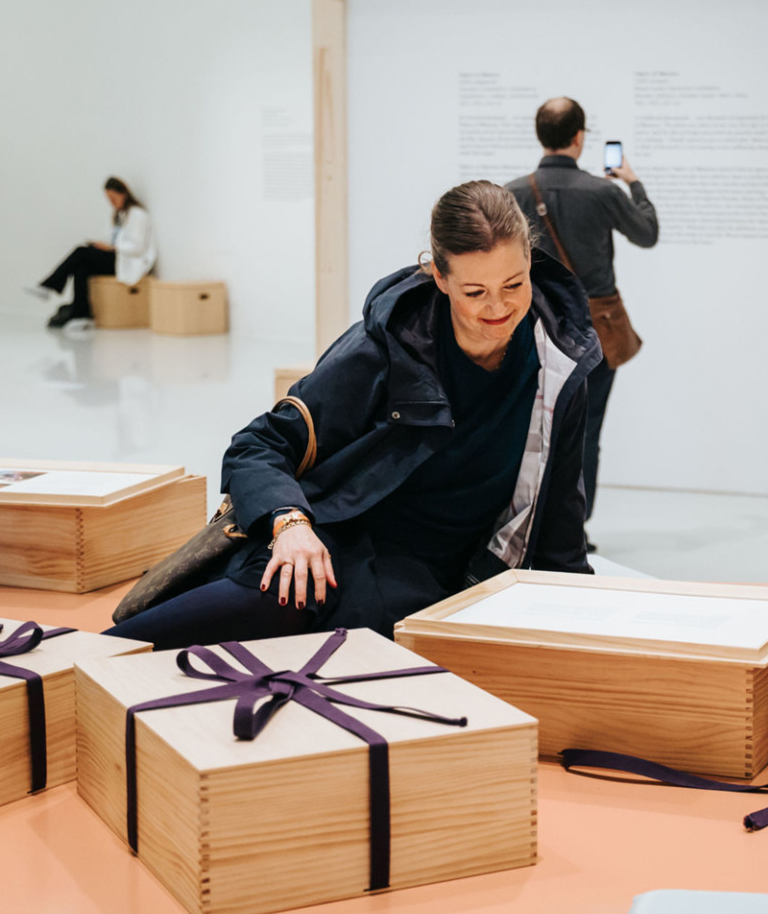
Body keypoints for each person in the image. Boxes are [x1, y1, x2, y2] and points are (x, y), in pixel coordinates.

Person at [108, 181, 599, 648]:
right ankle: (63, 669)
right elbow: (258, 445)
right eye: (475, 292)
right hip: (341, 543)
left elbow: (559, 515)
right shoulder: (386, 349)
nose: (498, 307)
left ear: (531, 262)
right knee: (154, 643)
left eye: (513, 284)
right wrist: (290, 524)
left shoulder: (559, 361)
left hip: (455, 577)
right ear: (439, 276)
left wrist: (577, 612)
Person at [505, 97, 659, 548]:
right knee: (586, 429)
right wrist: (634, 184)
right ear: (579, 136)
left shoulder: (511, 192)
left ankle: (525, 520)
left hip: (532, 323)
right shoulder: (602, 191)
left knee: (530, 424)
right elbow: (647, 234)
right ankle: (573, 524)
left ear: (541, 135)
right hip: (594, 328)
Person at [30, 177, 157, 329]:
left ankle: (49, 286)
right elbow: (113, 240)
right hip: (117, 258)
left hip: (129, 262)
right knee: (81, 267)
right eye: (109, 199)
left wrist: (112, 247)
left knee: (80, 252)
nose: (111, 203)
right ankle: (82, 315)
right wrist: (100, 245)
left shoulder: (137, 215)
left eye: (113, 198)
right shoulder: (120, 216)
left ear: (123, 194)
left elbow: (137, 248)